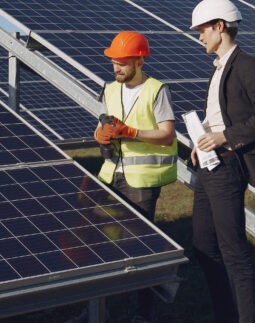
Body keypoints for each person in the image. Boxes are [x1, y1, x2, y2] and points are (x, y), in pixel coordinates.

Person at [189, 0, 255, 323]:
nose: (199, 36)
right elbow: (219, 116)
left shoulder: (248, 65)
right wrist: (202, 141)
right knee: (202, 244)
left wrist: (224, 136)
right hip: (209, 162)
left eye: (202, 29)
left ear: (219, 26)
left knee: (234, 251)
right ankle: (225, 316)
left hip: (229, 164)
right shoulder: (217, 69)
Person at [94, 30, 177, 323]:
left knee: (139, 247)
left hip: (141, 181)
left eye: (122, 62)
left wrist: (131, 132)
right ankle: (94, 311)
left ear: (139, 61)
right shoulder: (109, 88)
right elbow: (100, 126)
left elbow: (167, 135)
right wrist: (101, 135)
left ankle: (142, 314)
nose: (116, 67)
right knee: (99, 243)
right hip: (110, 175)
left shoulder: (157, 90)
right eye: (113, 62)